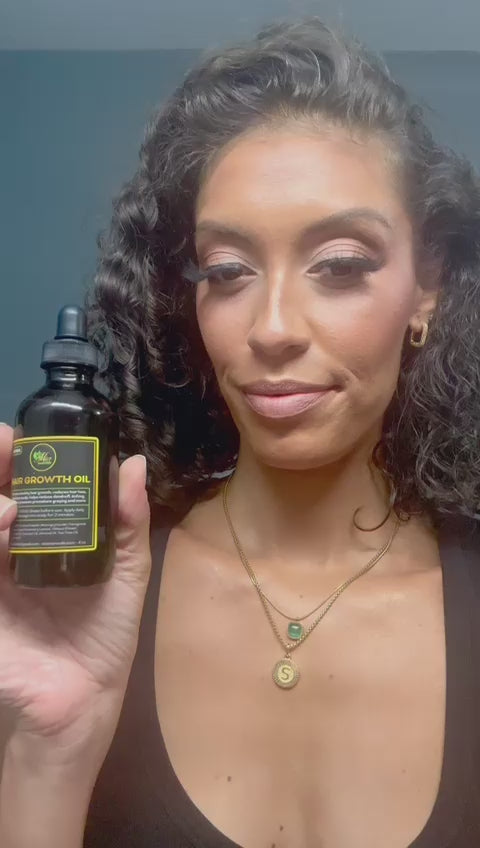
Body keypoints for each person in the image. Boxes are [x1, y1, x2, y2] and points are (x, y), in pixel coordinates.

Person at [1, 16, 480, 848]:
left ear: (427, 287)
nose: (273, 328)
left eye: (340, 266)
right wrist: (48, 750)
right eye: (227, 272)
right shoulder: (85, 604)